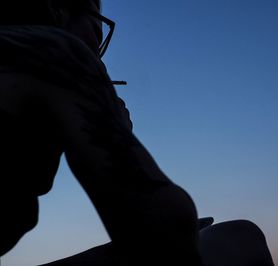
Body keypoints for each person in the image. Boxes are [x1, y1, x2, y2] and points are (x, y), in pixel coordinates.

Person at [0, 0, 202, 265]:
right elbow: (165, 230)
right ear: (59, 8)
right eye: (97, 30)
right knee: (240, 237)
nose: (98, 50)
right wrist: (117, 130)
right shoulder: (53, 50)